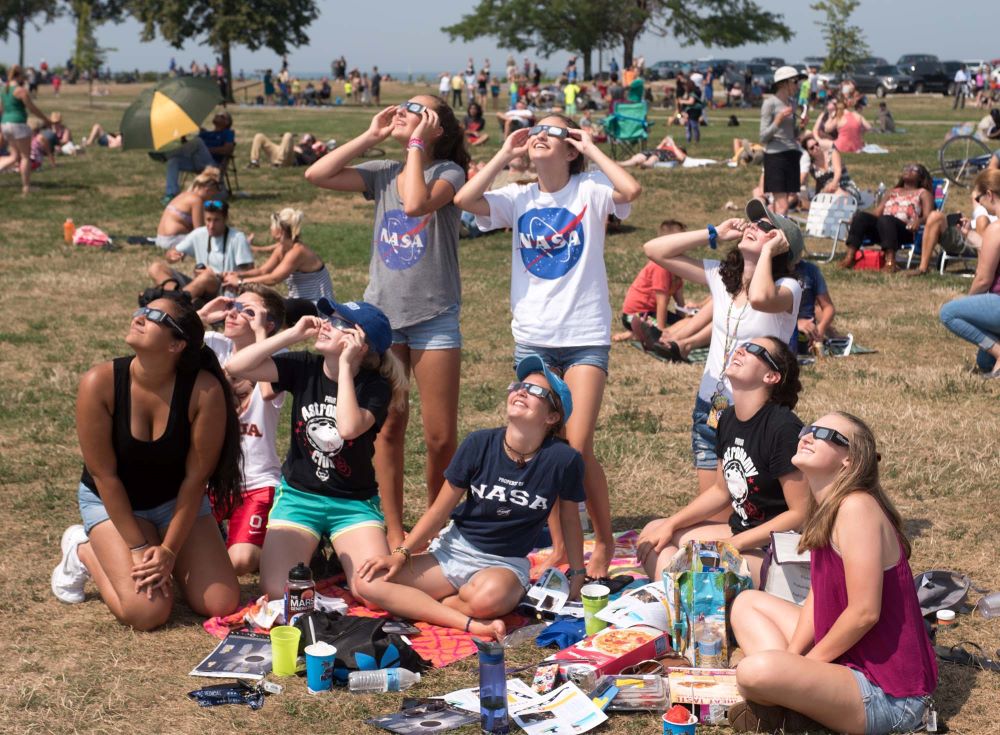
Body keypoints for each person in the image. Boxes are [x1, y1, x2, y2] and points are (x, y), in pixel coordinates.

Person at [454, 115, 642, 577]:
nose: (540, 133)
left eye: (553, 131)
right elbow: (464, 200)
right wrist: (505, 154)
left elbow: (631, 192)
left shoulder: (592, 190)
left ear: (571, 147)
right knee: (544, 446)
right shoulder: (519, 197)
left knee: (576, 448)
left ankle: (600, 542)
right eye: (535, 128)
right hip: (534, 337)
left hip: (583, 338)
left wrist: (592, 148)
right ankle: (560, 544)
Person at [305, 96, 469, 551]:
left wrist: (416, 143)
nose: (402, 109)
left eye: (415, 108)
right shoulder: (381, 171)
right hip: (382, 321)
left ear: (436, 127)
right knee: (389, 425)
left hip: (435, 318)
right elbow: (315, 175)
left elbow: (416, 204)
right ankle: (394, 527)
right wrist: (372, 135)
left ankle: (434, 528)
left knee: (439, 437)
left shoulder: (449, 174)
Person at [727, 412, 937, 734]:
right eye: (809, 429)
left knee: (753, 672)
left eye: (824, 434)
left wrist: (802, 668)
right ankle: (793, 704)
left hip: (889, 695)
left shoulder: (857, 507)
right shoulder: (826, 506)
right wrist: (793, 660)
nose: (807, 435)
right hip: (849, 665)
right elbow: (818, 594)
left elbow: (865, 613)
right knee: (746, 605)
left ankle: (782, 703)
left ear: (849, 462)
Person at [357, 356, 586, 640]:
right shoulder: (479, 443)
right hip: (454, 552)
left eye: (537, 391)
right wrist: (401, 554)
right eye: (519, 385)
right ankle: (465, 619)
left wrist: (577, 572)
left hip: (505, 563)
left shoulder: (563, 460)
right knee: (367, 584)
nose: (522, 391)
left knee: (487, 599)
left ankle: (429, 605)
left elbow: (569, 518)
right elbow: (439, 512)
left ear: (552, 417)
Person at [50, 295, 242, 629]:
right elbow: (104, 475)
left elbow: (195, 481)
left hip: (176, 503)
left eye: (153, 316)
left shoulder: (204, 391)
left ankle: (162, 548)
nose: (139, 316)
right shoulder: (100, 383)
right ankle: (81, 549)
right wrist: (139, 547)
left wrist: (168, 550)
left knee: (220, 602)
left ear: (176, 345)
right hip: (111, 502)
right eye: (142, 309)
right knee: (147, 612)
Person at [223, 298, 407, 604]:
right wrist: (292, 335)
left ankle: (330, 556)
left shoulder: (375, 387)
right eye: (327, 317)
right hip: (299, 496)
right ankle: (320, 557)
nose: (324, 324)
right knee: (276, 590)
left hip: (352, 502)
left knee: (371, 591)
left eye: (339, 323)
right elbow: (236, 366)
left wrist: (346, 367)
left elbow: (347, 428)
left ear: (361, 344)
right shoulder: (305, 366)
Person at [642, 200, 803, 507]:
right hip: (709, 406)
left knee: (733, 513)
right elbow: (655, 250)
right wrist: (713, 232)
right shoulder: (722, 277)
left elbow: (759, 297)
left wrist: (767, 252)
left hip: (751, 415)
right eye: (754, 222)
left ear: (783, 246)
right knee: (711, 506)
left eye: (766, 227)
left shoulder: (788, 288)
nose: (753, 225)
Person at [637, 337, 807, 583]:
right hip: (739, 531)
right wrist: (671, 524)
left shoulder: (783, 427)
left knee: (693, 567)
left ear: (771, 376)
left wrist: (731, 545)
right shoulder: (726, 417)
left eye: (754, 350)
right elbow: (720, 491)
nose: (740, 350)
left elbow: (800, 514)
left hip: (776, 548)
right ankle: (683, 600)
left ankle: (683, 599)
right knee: (653, 533)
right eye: (743, 345)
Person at [197, 286, 286, 573]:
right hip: (213, 478)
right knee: (183, 545)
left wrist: (262, 337)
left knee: (241, 562)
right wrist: (200, 316)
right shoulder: (215, 344)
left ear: (267, 323)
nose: (233, 314)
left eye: (247, 311)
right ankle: (222, 537)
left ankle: (277, 547)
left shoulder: (280, 358)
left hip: (258, 482)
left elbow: (270, 392)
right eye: (234, 306)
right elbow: (167, 341)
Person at [939, 170, 1000, 377]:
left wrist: (970, 306)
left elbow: (983, 279)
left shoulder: (996, 229)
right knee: (984, 361)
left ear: (990, 194)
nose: (979, 203)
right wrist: (971, 236)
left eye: (978, 198)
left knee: (949, 313)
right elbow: (992, 250)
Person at [222, 208, 334, 317]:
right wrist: (237, 274)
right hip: (298, 301)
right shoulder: (283, 247)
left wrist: (240, 282)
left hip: (318, 306)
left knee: (271, 307)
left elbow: (274, 278)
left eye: (272, 225)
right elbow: (263, 270)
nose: (270, 228)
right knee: (263, 303)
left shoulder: (297, 252)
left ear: (280, 230)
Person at [148, 199, 254, 301]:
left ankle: (174, 301)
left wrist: (219, 275)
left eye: (216, 220)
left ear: (225, 219)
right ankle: (175, 297)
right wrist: (171, 255)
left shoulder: (237, 237)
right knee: (155, 268)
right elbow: (171, 254)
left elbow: (249, 271)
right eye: (208, 220)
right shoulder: (198, 234)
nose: (211, 225)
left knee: (206, 276)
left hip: (222, 289)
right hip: (198, 284)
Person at [840, 163, 934, 272]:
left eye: (914, 170)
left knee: (886, 219)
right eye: (907, 168)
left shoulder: (924, 194)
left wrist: (919, 221)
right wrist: (858, 218)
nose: (908, 170)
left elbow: (929, 216)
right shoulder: (892, 192)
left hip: (906, 231)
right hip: (884, 229)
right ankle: (850, 257)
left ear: (921, 177)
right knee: (861, 216)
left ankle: (890, 261)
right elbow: (877, 213)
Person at [614, 219, 688, 344]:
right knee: (676, 330)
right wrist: (661, 331)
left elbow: (679, 301)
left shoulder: (676, 266)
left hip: (651, 313)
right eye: (683, 242)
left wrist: (683, 319)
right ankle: (636, 333)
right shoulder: (661, 267)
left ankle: (640, 333)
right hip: (635, 316)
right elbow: (661, 303)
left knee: (687, 325)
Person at [0, 64, 52, 195]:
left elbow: (1, 109)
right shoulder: (20, 90)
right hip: (19, 124)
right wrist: (46, 119)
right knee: (25, 157)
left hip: (5, 124)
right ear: (19, 76)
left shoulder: (3, 90)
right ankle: (26, 187)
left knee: (14, 156)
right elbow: (32, 108)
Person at [760, 67, 805, 215]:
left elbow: (792, 133)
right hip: (775, 156)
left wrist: (801, 126)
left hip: (792, 154)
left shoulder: (792, 103)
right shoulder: (770, 103)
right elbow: (763, 137)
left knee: (783, 206)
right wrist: (778, 120)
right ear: (784, 83)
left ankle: (776, 233)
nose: (798, 85)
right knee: (782, 206)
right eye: (795, 81)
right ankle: (779, 236)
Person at [163, 112, 235, 199]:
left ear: (227, 122)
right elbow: (190, 147)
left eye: (221, 116)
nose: (216, 115)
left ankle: (166, 155)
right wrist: (183, 138)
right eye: (217, 114)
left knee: (198, 142)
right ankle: (171, 193)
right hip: (196, 161)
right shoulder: (205, 134)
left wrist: (206, 150)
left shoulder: (227, 133)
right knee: (173, 161)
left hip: (212, 164)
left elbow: (228, 150)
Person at [156, 167, 222, 250]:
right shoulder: (196, 200)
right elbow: (199, 231)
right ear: (207, 189)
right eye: (213, 194)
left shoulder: (184, 195)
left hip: (160, 239)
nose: (212, 197)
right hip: (172, 241)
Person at [794, 259, 840, 354]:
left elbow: (828, 307)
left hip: (807, 336)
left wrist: (821, 328)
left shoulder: (810, 270)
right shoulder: (770, 269)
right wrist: (796, 324)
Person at [800, 132, 860, 204]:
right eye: (812, 148)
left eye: (817, 144)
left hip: (845, 186)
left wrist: (832, 186)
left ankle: (847, 203)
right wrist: (817, 194)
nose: (816, 147)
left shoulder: (832, 153)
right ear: (809, 152)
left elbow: (838, 172)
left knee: (837, 194)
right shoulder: (812, 167)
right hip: (828, 191)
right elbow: (819, 182)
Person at [678, 79, 704, 144]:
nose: (685, 87)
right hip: (690, 111)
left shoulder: (693, 93)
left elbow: (691, 102)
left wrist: (682, 101)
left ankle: (696, 140)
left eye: (686, 86)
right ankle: (688, 140)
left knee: (693, 125)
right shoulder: (690, 93)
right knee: (688, 126)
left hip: (694, 111)